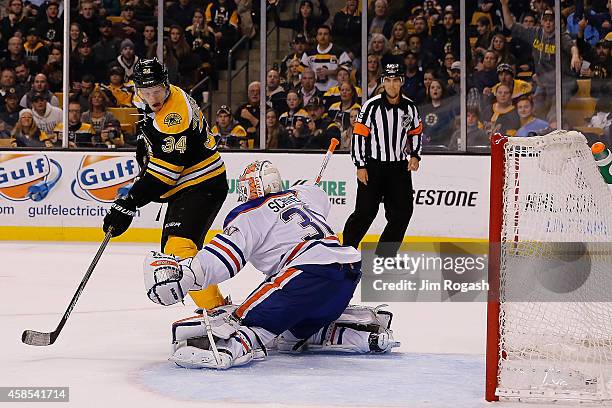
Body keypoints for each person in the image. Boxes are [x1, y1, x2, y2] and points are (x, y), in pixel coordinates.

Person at [142, 160, 399, 369]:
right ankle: (362, 336)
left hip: (306, 271)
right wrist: (302, 191)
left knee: (248, 322)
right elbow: (319, 194)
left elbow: (224, 256)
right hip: (347, 271)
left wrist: (187, 276)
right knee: (290, 336)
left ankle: (227, 347)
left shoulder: (249, 214)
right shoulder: (303, 197)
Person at [102, 57, 229, 310]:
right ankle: (215, 309)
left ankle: (217, 313)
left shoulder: (174, 116)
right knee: (174, 252)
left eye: (157, 91)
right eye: (146, 92)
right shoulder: (158, 100)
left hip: (201, 184)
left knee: (178, 249)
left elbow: (165, 175)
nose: (153, 97)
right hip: (189, 186)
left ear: (166, 84)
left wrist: (130, 202)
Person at [343, 63, 422, 257]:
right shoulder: (371, 106)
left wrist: (415, 155)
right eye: (388, 80)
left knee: (403, 213)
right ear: (383, 82)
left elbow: (416, 132)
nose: (392, 85)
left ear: (401, 82)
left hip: (398, 168)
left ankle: (385, 256)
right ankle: (345, 251)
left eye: (396, 80)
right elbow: (359, 135)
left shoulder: (410, 107)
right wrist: (360, 165)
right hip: (373, 166)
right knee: (364, 213)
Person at [300, 25, 352, 93]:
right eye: (320, 34)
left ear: (330, 37)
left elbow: (348, 67)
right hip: (314, 92)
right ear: (316, 37)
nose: (322, 37)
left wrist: (330, 72)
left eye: (325, 34)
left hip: (335, 91)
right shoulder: (309, 53)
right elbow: (301, 71)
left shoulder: (338, 52)